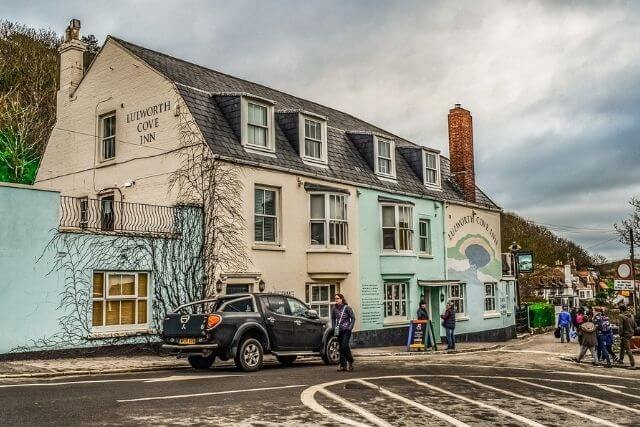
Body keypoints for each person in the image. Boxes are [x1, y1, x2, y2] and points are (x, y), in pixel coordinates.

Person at [331, 293, 355, 372]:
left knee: (345, 346)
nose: (336, 300)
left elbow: (353, 318)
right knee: (340, 348)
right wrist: (334, 328)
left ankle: (350, 361)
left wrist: (350, 328)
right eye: (335, 299)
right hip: (339, 330)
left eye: (337, 298)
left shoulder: (347, 308)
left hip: (346, 330)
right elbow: (333, 319)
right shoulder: (334, 308)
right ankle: (343, 365)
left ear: (341, 299)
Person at [617, 304, 637, 369]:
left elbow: (620, 327)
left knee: (628, 349)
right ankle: (621, 360)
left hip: (624, 334)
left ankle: (632, 364)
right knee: (622, 346)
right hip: (630, 333)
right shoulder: (631, 315)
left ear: (620, 310)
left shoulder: (621, 316)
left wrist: (620, 334)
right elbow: (635, 326)